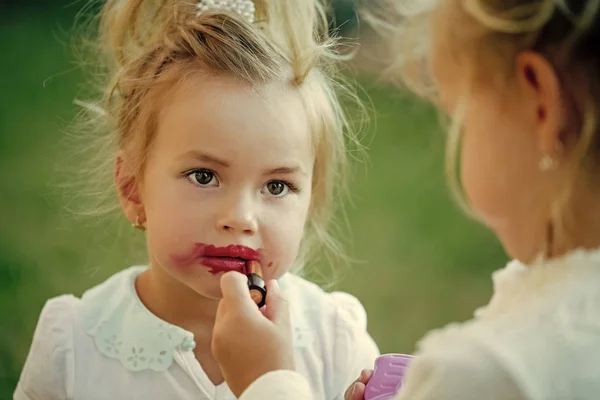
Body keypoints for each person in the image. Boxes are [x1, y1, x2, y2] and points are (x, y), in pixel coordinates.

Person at [210, 1, 600, 399]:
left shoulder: (491, 373)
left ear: (540, 104)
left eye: (456, 113)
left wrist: (268, 383)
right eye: (204, 176)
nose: (241, 216)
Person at [14, 0, 379, 398]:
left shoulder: (337, 342)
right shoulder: (74, 346)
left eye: (276, 186)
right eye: (203, 176)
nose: (240, 218)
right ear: (133, 187)